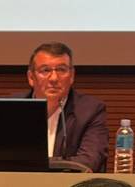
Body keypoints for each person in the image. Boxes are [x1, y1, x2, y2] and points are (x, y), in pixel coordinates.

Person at [22, 42, 108, 172]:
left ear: (72, 76)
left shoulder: (90, 111)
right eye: (45, 70)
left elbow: (89, 162)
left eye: (61, 70)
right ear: (31, 77)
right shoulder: (10, 109)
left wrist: (39, 166)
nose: (54, 78)